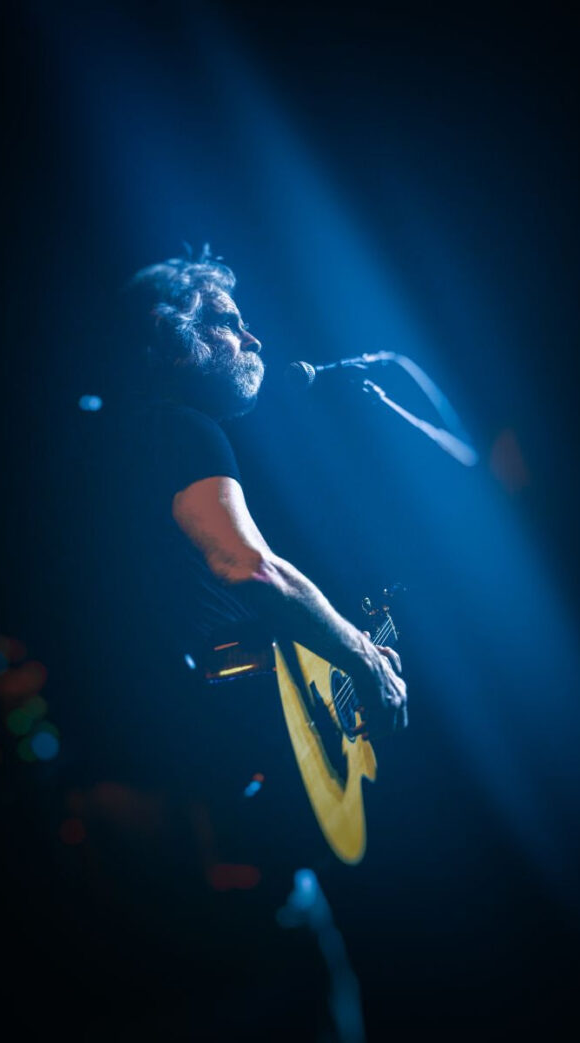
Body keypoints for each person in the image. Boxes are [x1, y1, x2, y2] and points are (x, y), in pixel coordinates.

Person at [124, 248, 408, 736]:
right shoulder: (181, 426)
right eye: (229, 323)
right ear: (172, 333)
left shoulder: (144, 435)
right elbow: (248, 566)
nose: (253, 339)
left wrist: (334, 647)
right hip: (203, 729)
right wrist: (361, 655)